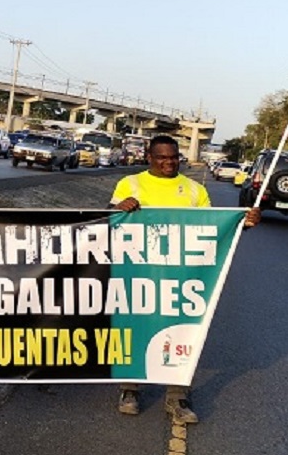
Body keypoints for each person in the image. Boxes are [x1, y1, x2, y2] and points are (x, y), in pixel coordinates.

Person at [111, 135, 260, 424]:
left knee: (182, 332)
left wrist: (245, 222)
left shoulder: (195, 190)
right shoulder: (129, 184)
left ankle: (177, 397)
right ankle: (129, 390)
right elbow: (107, 222)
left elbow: (214, 230)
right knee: (135, 326)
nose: (168, 162)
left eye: (173, 157)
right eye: (161, 157)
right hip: (139, 273)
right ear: (149, 157)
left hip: (183, 275)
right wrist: (118, 207)